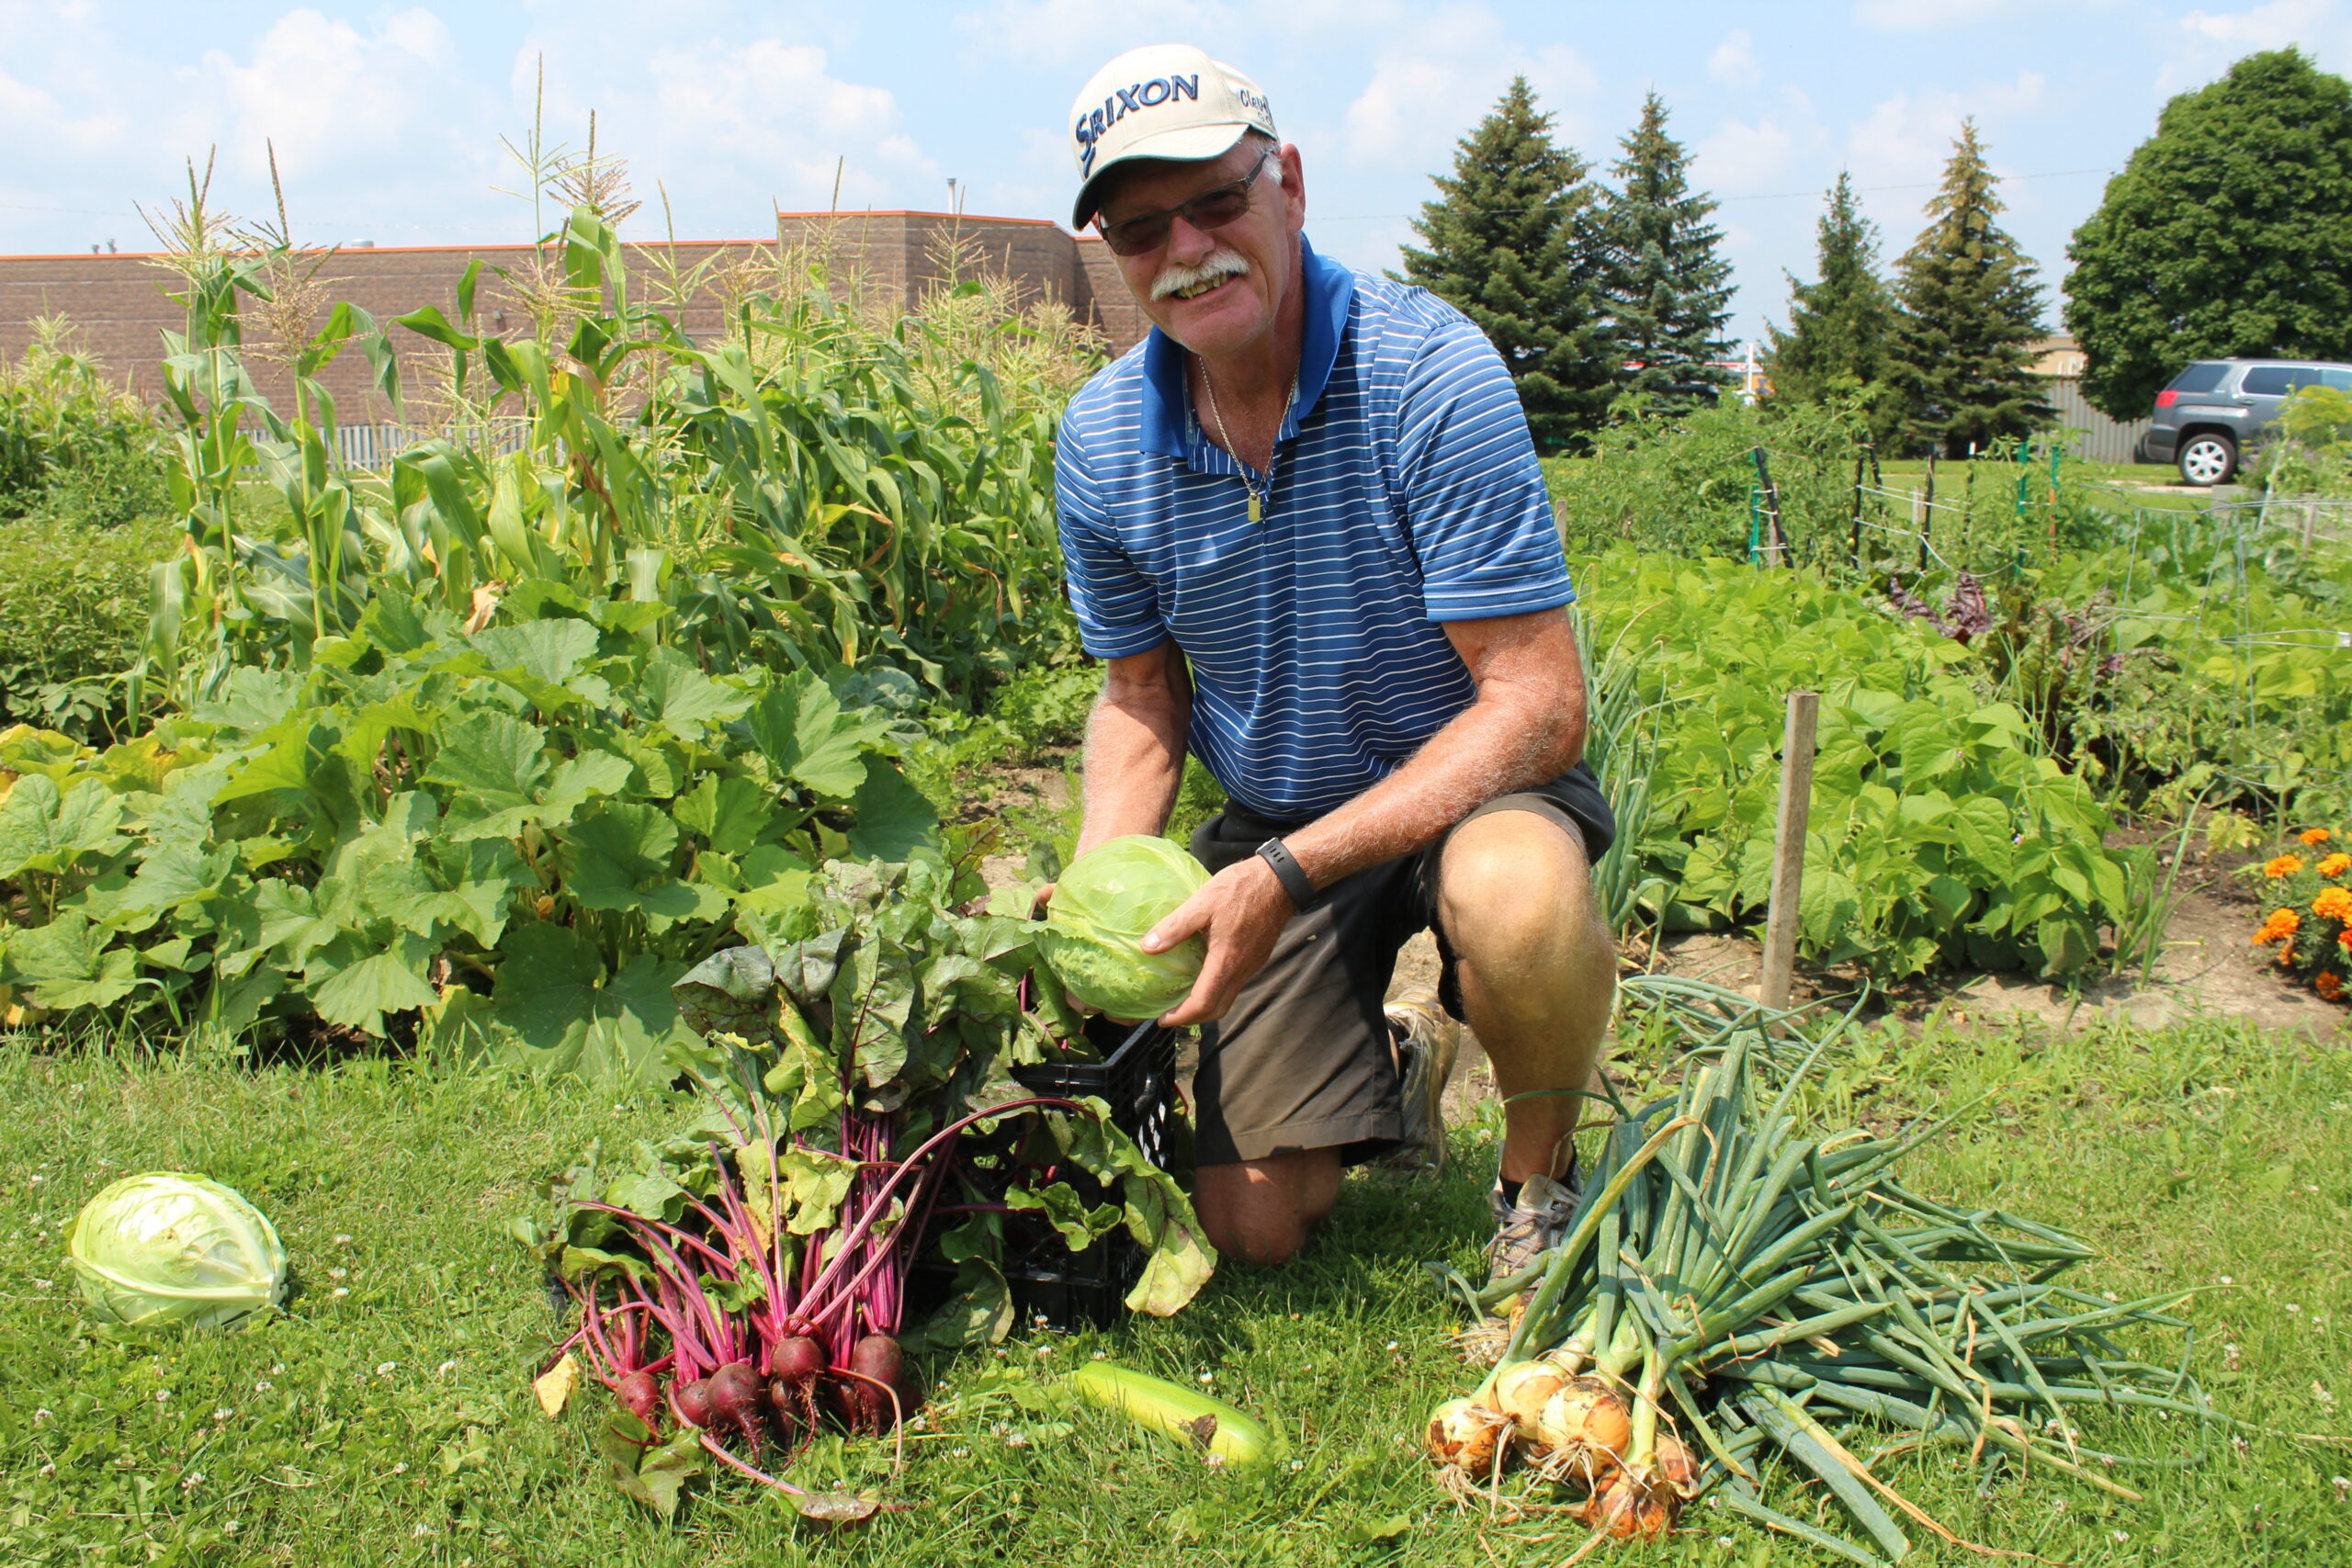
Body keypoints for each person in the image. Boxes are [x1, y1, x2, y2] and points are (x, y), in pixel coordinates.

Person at [1051, 44, 1619, 1288]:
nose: (1188, 247)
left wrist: (1289, 869)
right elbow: (1142, 695)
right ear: (1114, 253)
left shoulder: (1426, 377)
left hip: (1474, 785)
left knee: (1516, 896)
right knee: (1253, 1229)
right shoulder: (1102, 440)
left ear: (1289, 186)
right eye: (1144, 229)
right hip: (1282, 818)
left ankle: (1538, 1178)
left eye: (1217, 201)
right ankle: (1404, 1058)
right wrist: (1101, 879)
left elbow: (1539, 701)